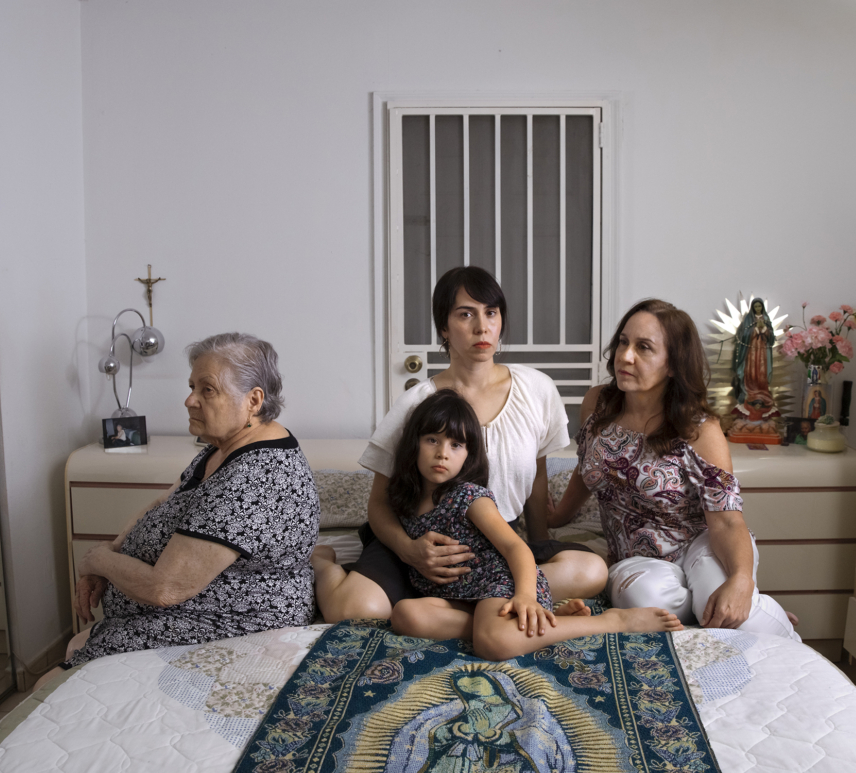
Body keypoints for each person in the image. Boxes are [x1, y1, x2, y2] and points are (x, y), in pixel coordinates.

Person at [312, 267, 609, 621]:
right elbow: (378, 502)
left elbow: (537, 476)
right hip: (420, 540)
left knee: (593, 571)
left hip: (493, 543)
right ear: (444, 327)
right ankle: (324, 563)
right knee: (354, 609)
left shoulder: (537, 389)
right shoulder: (418, 403)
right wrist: (410, 551)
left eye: (491, 313)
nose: (482, 327)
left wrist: (535, 546)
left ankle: (458, 612)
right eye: (466, 314)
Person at [37, 333, 319, 688]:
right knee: (72, 653)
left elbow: (164, 589)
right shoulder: (224, 447)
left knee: (46, 686)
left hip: (227, 620)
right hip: (185, 610)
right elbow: (164, 502)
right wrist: (114, 551)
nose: (189, 400)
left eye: (207, 390)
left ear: (253, 400)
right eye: (191, 387)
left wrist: (97, 561)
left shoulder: (255, 477)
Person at [549, 299, 800, 641]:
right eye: (623, 342)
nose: (625, 356)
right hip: (635, 558)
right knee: (643, 600)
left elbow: (727, 520)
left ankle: (763, 615)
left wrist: (742, 581)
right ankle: (716, 601)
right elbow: (588, 465)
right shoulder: (597, 404)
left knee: (726, 610)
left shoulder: (700, 429)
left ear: (673, 364)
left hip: (700, 544)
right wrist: (559, 515)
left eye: (644, 347)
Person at [388, 390, 682, 661]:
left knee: (492, 644)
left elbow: (515, 547)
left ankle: (611, 622)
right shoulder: (405, 501)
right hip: (458, 597)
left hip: (498, 583)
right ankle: (532, 624)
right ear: (414, 442)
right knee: (405, 615)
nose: (442, 453)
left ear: (468, 455)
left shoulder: (468, 496)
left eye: (456, 445)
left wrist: (526, 596)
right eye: (432, 440)